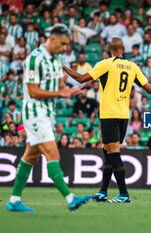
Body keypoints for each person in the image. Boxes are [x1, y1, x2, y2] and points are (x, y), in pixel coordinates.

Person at [62, 37, 151, 203]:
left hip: (109, 114)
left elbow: (81, 79)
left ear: (109, 49)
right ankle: (103, 191)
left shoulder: (106, 64)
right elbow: (148, 87)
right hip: (124, 115)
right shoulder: (132, 66)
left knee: (113, 152)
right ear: (123, 48)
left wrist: (63, 67)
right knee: (107, 151)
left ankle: (123, 193)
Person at [7, 24, 90, 213]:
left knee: (30, 156)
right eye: (62, 44)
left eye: (67, 45)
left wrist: (67, 89)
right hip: (35, 112)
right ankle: (70, 199)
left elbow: (59, 82)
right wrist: (60, 94)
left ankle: (14, 200)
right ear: (51, 39)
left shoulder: (56, 58)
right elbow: (33, 91)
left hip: (48, 113)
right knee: (53, 154)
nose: (64, 49)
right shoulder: (34, 60)